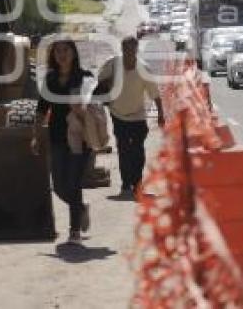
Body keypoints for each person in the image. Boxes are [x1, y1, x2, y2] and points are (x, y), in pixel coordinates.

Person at [32, 39, 93, 244]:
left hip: (80, 138)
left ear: (73, 53)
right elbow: (41, 109)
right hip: (57, 138)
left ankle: (74, 230)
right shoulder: (50, 79)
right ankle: (81, 208)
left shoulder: (84, 77)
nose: (61, 54)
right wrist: (35, 135)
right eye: (57, 51)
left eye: (65, 50)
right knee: (59, 185)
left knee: (73, 184)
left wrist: (82, 110)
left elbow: (96, 108)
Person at [96, 36, 164, 197]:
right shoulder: (113, 64)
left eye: (132, 49)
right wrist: (107, 81)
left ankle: (137, 182)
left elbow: (155, 94)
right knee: (124, 149)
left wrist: (161, 113)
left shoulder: (144, 69)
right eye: (126, 49)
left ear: (136, 50)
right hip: (117, 113)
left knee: (137, 151)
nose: (129, 53)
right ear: (122, 49)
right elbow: (99, 81)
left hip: (138, 115)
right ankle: (126, 184)